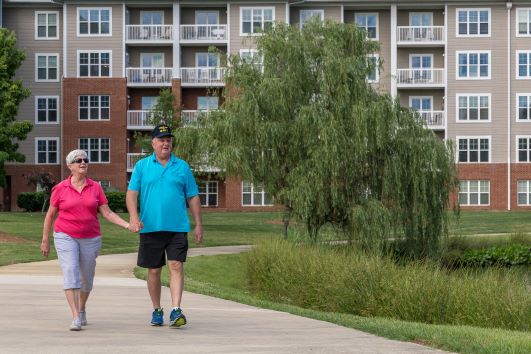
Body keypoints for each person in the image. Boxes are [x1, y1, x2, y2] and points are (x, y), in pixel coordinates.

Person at [41, 149, 139, 331]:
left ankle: (82, 307)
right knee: (71, 272)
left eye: (85, 160)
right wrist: (45, 239)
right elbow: (50, 215)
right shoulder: (60, 188)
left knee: (86, 279)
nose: (83, 162)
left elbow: (107, 212)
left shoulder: (96, 187)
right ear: (70, 166)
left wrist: (128, 225)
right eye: (78, 160)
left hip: (90, 238)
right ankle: (75, 316)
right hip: (65, 235)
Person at [126, 124, 203, 328]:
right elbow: (132, 193)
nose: (165, 143)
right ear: (153, 143)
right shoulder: (142, 166)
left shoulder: (182, 166)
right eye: (161, 139)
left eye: (168, 139)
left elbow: (193, 196)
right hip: (150, 227)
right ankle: (157, 309)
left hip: (177, 227)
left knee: (176, 265)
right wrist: (134, 217)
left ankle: (176, 309)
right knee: (153, 270)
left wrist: (198, 224)